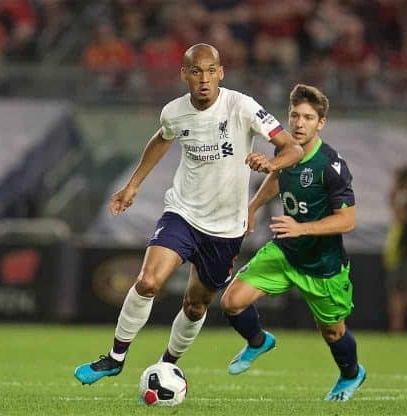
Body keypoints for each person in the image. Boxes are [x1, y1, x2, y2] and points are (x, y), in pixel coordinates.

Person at [74, 43, 303, 385]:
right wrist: (133, 185)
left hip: (225, 228)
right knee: (148, 281)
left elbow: (293, 148)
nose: (204, 79)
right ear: (184, 74)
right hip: (182, 213)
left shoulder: (242, 106)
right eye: (196, 71)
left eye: (211, 70)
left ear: (221, 72)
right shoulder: (174, 112)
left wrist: (270, 163)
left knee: (195, 306)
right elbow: (162, 138)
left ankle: (166, 366)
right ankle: (115, 358)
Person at [220, 84, 365, 401]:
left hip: (323, 266)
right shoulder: (284, 150)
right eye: (295, 116)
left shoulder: (331, 166)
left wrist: (302, 228)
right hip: (285, 253)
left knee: (332, 332)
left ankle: (351, 375)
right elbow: (276, 178)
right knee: (232, 302)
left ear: (321, 123)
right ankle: (258, 341)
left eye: (308, 118)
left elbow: (348, 220)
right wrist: (253, 206)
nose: (299, 124)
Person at [383, 165, 407, 332]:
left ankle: (405, 325)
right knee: (397, 291)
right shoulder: (405, 197)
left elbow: (403, 218)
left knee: (405, 291)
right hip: (397, 249)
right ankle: (396, 326)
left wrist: (395, 199)